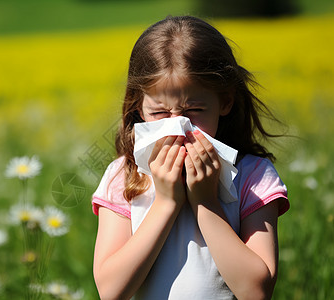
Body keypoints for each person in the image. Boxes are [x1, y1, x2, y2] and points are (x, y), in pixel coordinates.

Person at [92, 15, 289, 300]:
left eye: (194, 110)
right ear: (138, 107)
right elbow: (111, 291)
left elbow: (256, 292)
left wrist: (206, 202)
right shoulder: (124, 176)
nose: (178, 127)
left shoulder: (253, 176)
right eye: (159, 113)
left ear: (225, 102)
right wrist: (166, 202)